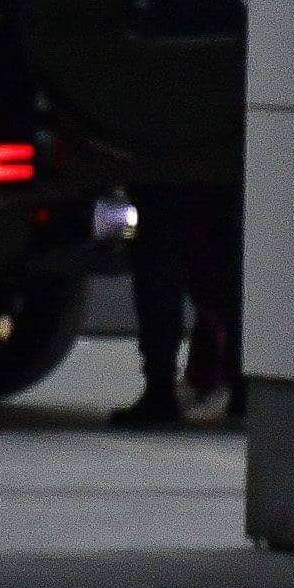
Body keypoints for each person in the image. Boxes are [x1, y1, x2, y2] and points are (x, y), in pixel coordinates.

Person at [112, 180, 236, 429]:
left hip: (163, 172)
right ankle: (238, 384)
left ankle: (161, 388)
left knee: (159, 266)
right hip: (216, 168)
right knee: (220, 265)